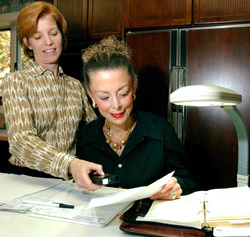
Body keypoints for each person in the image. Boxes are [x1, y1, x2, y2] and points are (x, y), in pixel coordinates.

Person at [76, 36, 198, 200]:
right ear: (91, 95)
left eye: (123, 93)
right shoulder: (85, 137)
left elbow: (188, 181)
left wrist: (176, 186)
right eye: (104, 97)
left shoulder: (161, 130)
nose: (116, 105)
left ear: (134, 86)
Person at [2, 1, 103, 191]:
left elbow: (93, 133)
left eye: (53, 33)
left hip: (69, 182)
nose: (48, 42)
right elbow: (21, 142)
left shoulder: (75, 86)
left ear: (62, 35)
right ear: (26, 42)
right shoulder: (16, 81)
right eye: (37, 36)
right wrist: (70, 164)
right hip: (28, 180)